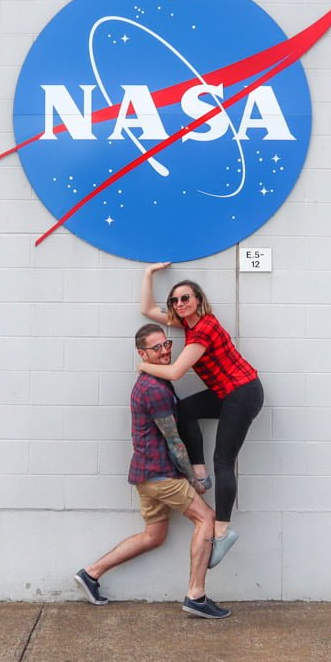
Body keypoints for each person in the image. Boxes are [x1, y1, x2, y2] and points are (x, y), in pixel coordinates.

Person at [73, 323, 231, 619]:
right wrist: (194, 479)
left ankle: (91, 574)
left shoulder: (154, 381)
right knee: (207, 518)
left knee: (153, 535)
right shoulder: (154, 388)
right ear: (142, 353)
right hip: (162, 476)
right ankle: (196, 594)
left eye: (167, 345)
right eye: (156, 348)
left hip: (146, 476)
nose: (165, 352)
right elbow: (173, 440)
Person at [138, 262, 264, 570]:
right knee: (185, 410)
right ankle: (199, 472)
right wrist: (148, 274)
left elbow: (175, 371)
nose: (179, 304)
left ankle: (222, 531)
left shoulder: (203, 329)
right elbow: (147, 310)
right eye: (175, 301)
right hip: (228, 392)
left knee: (224, 459)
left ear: (198, 300)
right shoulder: (191, 325)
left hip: (243, 393)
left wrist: (143, 366)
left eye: (185, 298)